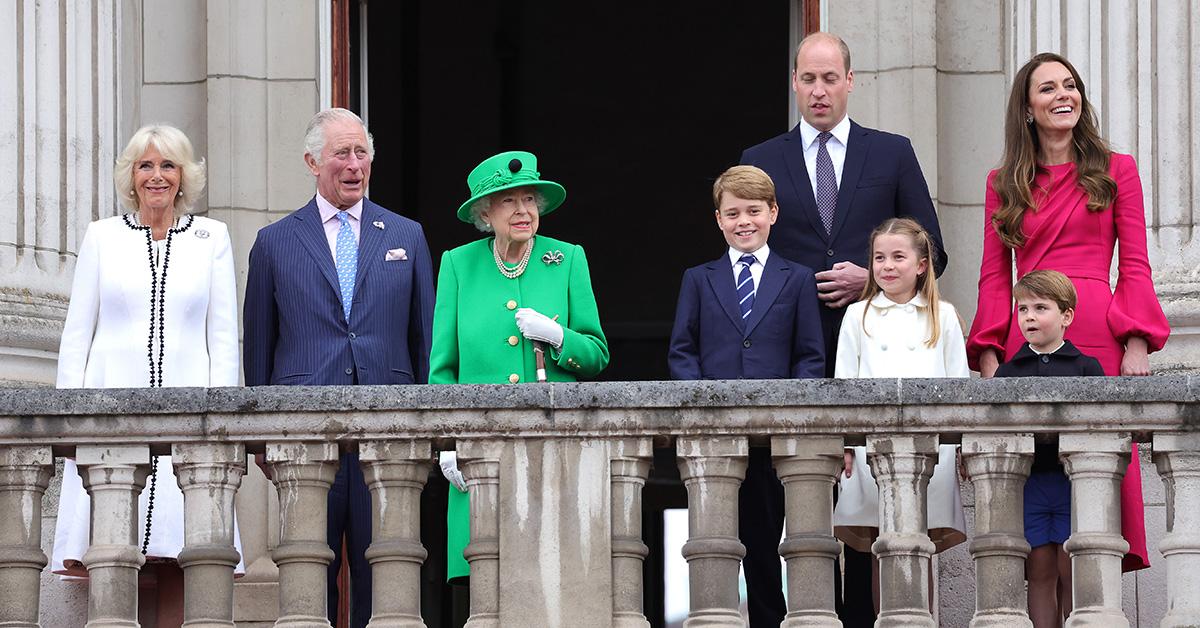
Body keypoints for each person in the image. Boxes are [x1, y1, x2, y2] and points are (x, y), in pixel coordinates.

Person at [740, 31, 947, 623]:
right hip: (785, 353)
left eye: (831, 78)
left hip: (876, 354)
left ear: (851, 81)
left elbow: (935, 251)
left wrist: (874, 281)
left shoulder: (892, 152)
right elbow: (746, 249)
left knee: (863, 504)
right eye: (808, 78)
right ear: (795, 83)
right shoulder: (761, 158)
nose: (819, 90)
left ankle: (858, 618)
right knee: (770, 499)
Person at [966, 52, 1170, 572]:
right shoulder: (1002, 182)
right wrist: (991, 357)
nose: (1063, 95)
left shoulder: (1116, 169)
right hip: (1027, 339)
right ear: (1028, 108)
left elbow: (1136, 264)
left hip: (1097, 332)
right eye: (1048, 88)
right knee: (1034, 508)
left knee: (1097, 498)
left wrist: (1138, 343)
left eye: (1070, 85)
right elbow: (994, 276)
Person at [242, 107, 435, 627]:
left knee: (389, 575)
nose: (354, 165)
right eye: (342, 154)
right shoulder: (275, 242)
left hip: (390, 437)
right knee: (308, 576)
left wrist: (430, 429)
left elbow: (426, 345)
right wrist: (261, 437)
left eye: (362, 153)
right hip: (305, 436)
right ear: (312, 162)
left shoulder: (406, 235)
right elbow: (258, 348)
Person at [54, 124, 240, 627]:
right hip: (109, 414)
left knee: (186, 553)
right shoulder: (102, 236)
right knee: (113, 552)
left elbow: (223, 339)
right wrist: (66, 423)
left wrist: (227, 428)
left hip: (189, 421)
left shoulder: (211, 238)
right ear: (131, 177)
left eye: (168, 165)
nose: (156, 176)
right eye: (146, 165)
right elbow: (77, 336)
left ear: (183, 177)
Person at [430, 150, 609, 591]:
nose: (523, 210)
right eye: (509, 201)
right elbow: (442, 370)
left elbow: (597, 353)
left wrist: (558, 336)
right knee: (486, 581)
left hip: (551, 449)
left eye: (530, 199)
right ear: (484, 213)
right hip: (481, 454)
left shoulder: (567, 259)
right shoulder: (457, 265)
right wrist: (448, 443)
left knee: (552, 582)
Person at [667, 165, 824, 625]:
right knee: (714, 545)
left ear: (772, 213)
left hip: (774, 441)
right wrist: (700, 409)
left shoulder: (796, 278)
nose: (744, 222)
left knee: (768, 545)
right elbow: (682, 351)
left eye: (754, 211)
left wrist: (790, 414)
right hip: (716, 439)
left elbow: (809, 356)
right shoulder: (699, 278)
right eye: (732, 213)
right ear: (718, 219)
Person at [832, 217, 967, 614]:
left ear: (921, 264)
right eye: (879, 258)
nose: (887, 266)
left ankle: (920, 620)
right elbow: (845, 385)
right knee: (882, 546)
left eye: (897, 257)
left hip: (931, 450)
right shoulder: (858, 316)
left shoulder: (942, 315)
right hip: (872, 448)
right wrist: (847, 444)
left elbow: (959, 386)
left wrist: (957, 447)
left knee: (919, 544)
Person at [993, 270, 1104, 627]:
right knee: (1039, 569)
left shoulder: (1087, 367)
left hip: (1075, 485)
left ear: (1066, 316)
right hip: (1030, 485)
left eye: (1040, 308)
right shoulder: (1008, 373)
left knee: (1072, 568)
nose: (1029, 317)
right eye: (1022, 308)